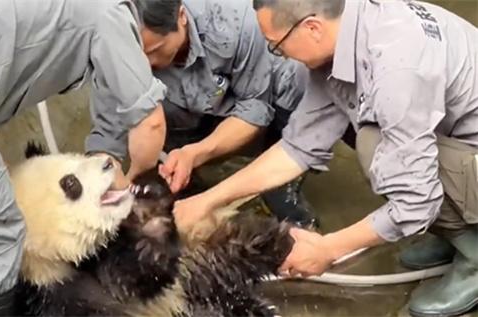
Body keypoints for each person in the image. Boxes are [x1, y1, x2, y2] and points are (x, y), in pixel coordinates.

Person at [173, 0, 478, 316]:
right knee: (383, 145)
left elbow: (416, 202)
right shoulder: (347, 36)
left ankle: (474, 256)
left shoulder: (395, 66)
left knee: (377, 147)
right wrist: (208, 201)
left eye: (276, 47)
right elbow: (298, 147)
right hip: (462, 148)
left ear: (312, 28)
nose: (280, 56)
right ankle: (453, 234)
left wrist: (327, 249)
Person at [0, 0, 167, 314]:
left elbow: (112, 92)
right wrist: (134, 183)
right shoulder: (113, 15)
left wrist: (104, 154)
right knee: (0, 230)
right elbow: (151, 122)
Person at [136, 0, 327, 228]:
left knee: (296, 80)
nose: (148, 63)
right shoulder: (110, 39)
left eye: (156, 50)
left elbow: (256, 105)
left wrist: (199, 155)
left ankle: (281, 187)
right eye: (138, 56)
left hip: (254, 86)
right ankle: (187, 178)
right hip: (188, 107)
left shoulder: (236, 22)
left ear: (181, 16)